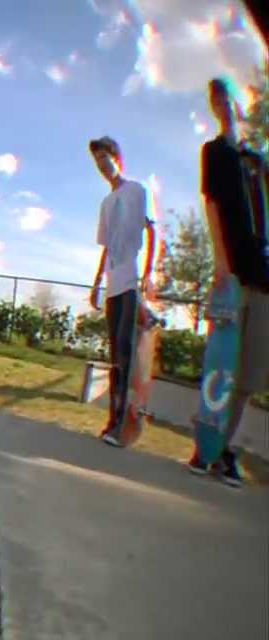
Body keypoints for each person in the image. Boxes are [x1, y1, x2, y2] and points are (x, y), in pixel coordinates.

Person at [187, 77, 269, 486]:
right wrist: (221, 263)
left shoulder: (257, 161)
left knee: (250, 374)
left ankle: (223, 450)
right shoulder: (215, 152)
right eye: (214, 100)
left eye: (227, 98)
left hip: (265, 279)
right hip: (234, 275)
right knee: (222, 367)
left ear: (239, 103)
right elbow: (213, 206)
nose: (222, 105)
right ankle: (206, 448)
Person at [86, 135, 157, 448]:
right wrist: (97, 282)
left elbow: (152, 231)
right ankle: (113, 421)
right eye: (97, 161)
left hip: (132, 280)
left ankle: (123, 424)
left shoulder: (137, 190)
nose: (102, 165)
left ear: (117, 158)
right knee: (116, 353)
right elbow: (107, 247)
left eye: (105, 158)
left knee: (126, 352)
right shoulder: (106, 203)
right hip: (113, 283)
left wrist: (149, 272)